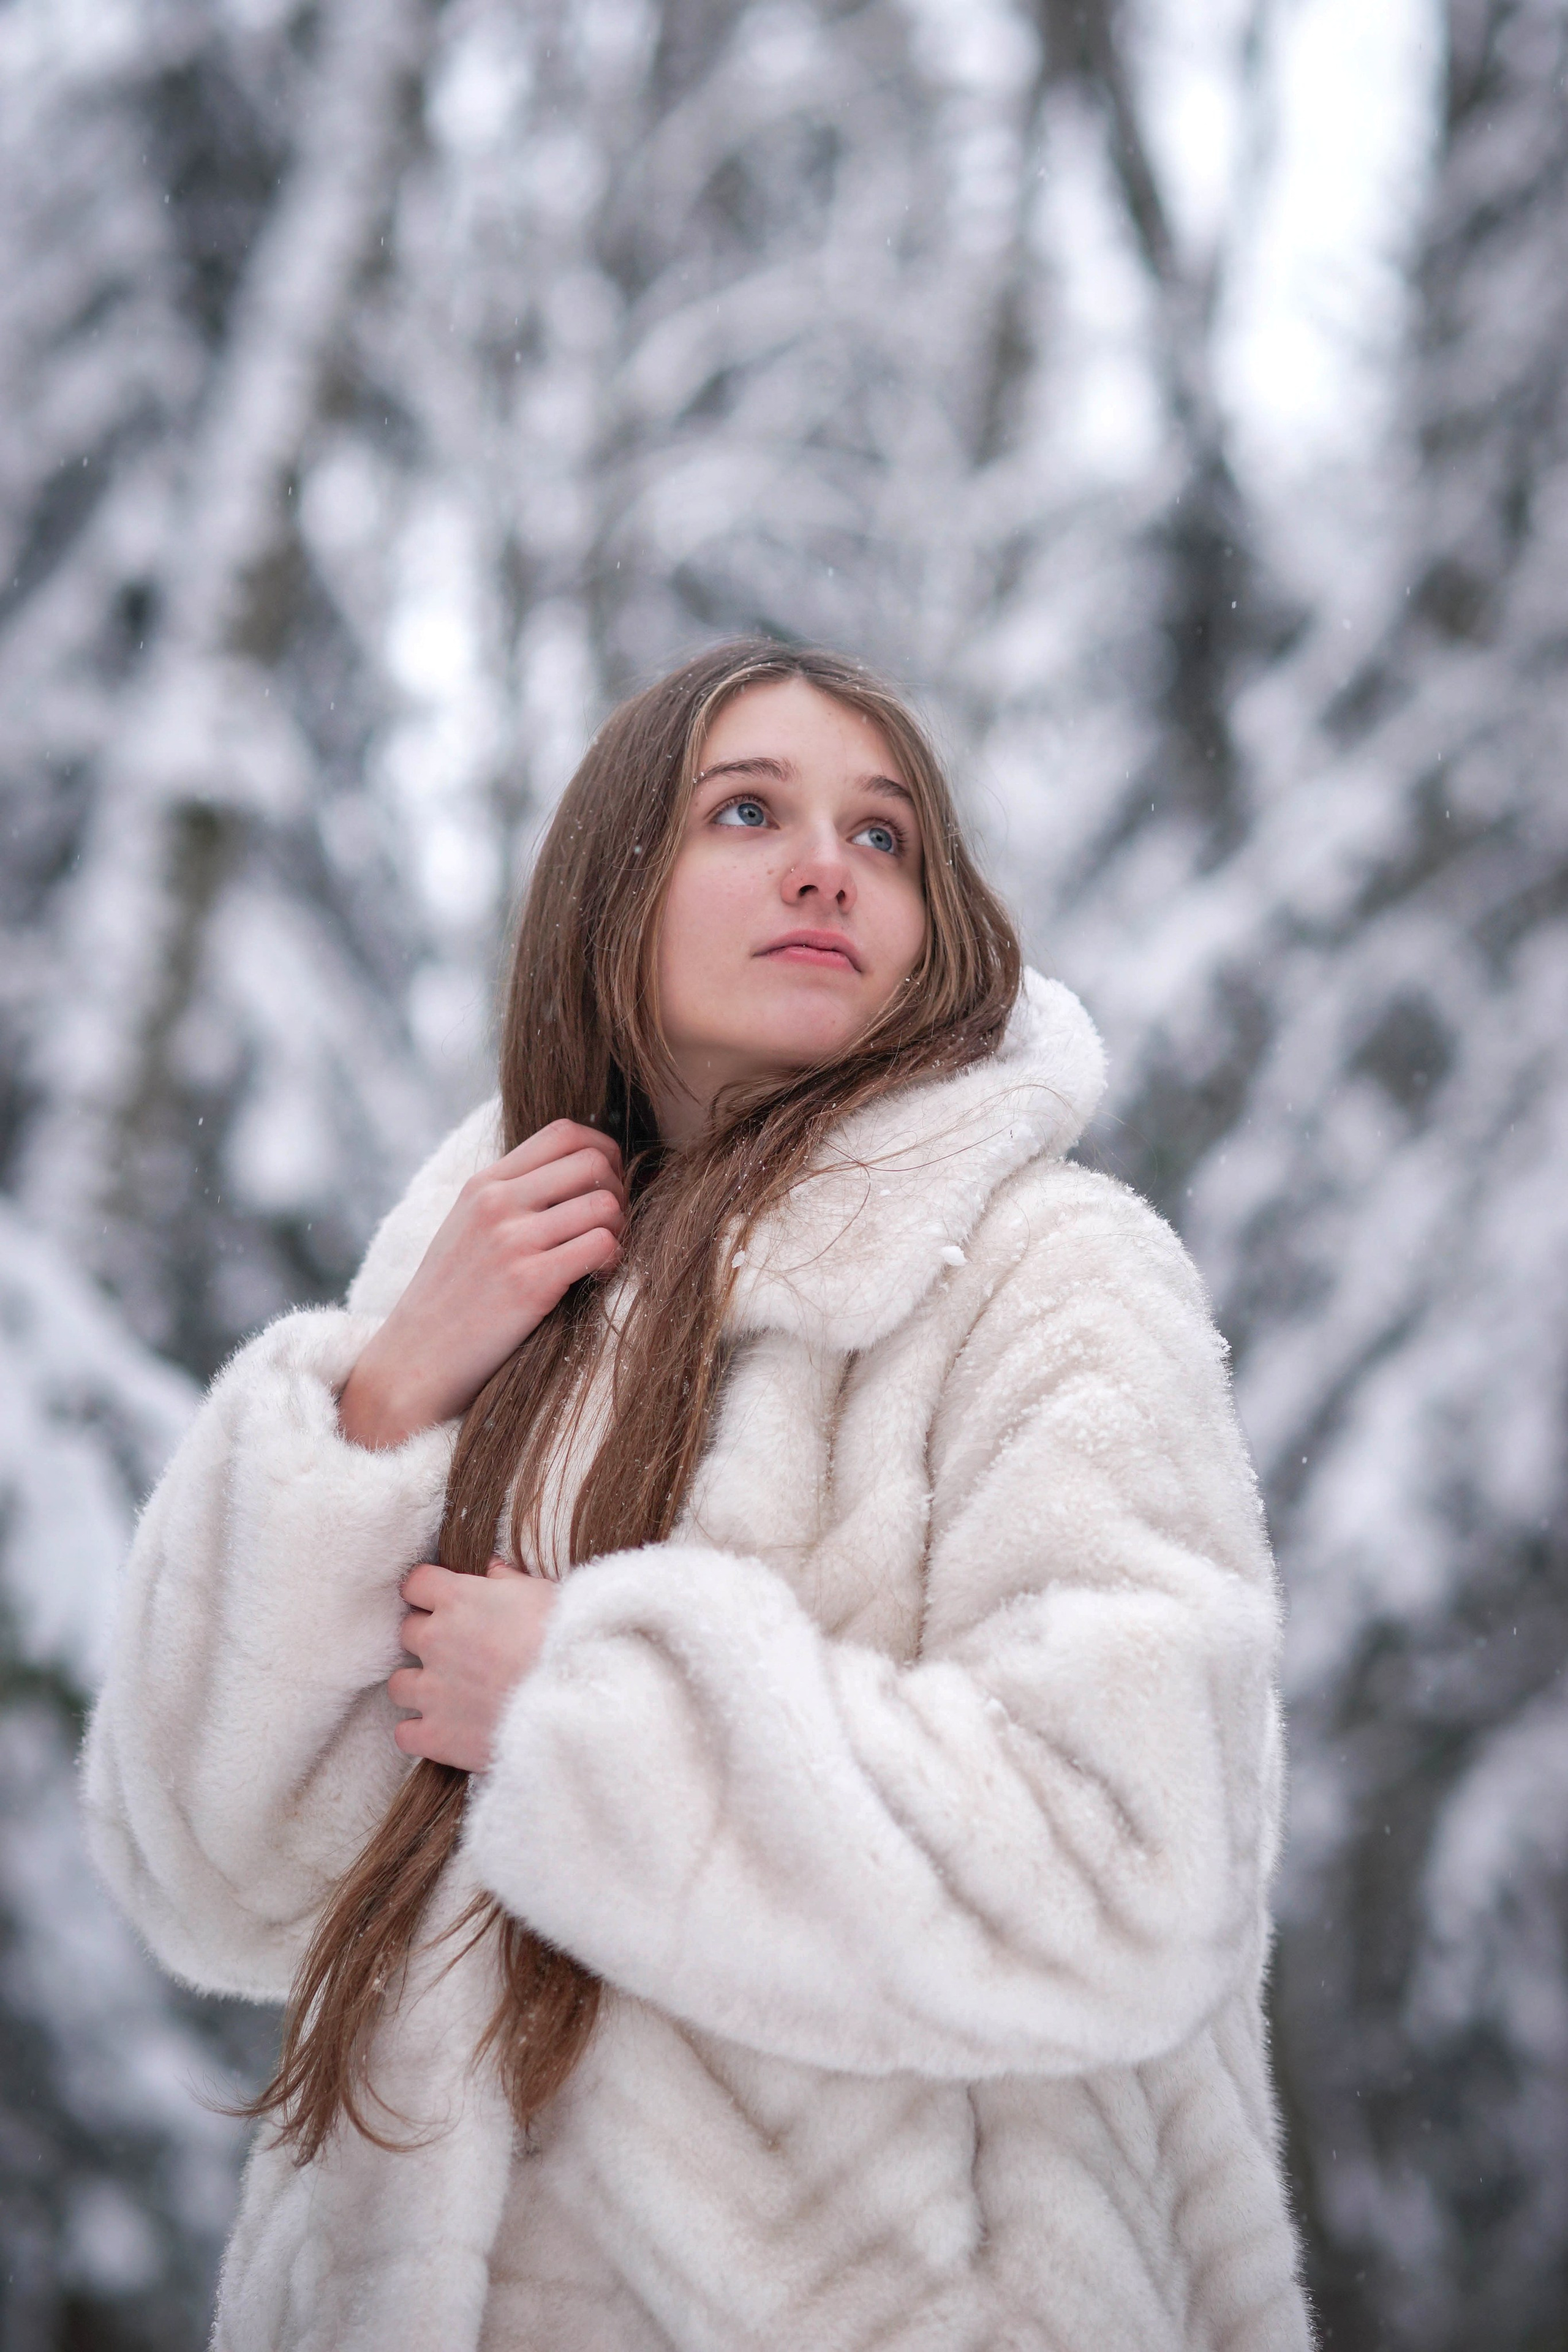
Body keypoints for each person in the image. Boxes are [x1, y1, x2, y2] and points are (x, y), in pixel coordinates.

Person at [83, 639, 1312, 2351]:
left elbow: (1129, 1865)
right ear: (615, 885)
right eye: (748, 811)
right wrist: (385, 1396)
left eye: (883, 836)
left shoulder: (1049, 1272)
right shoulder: (493, 1282)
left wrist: (592, 1708)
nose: (825, 866)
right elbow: (215, 1880)